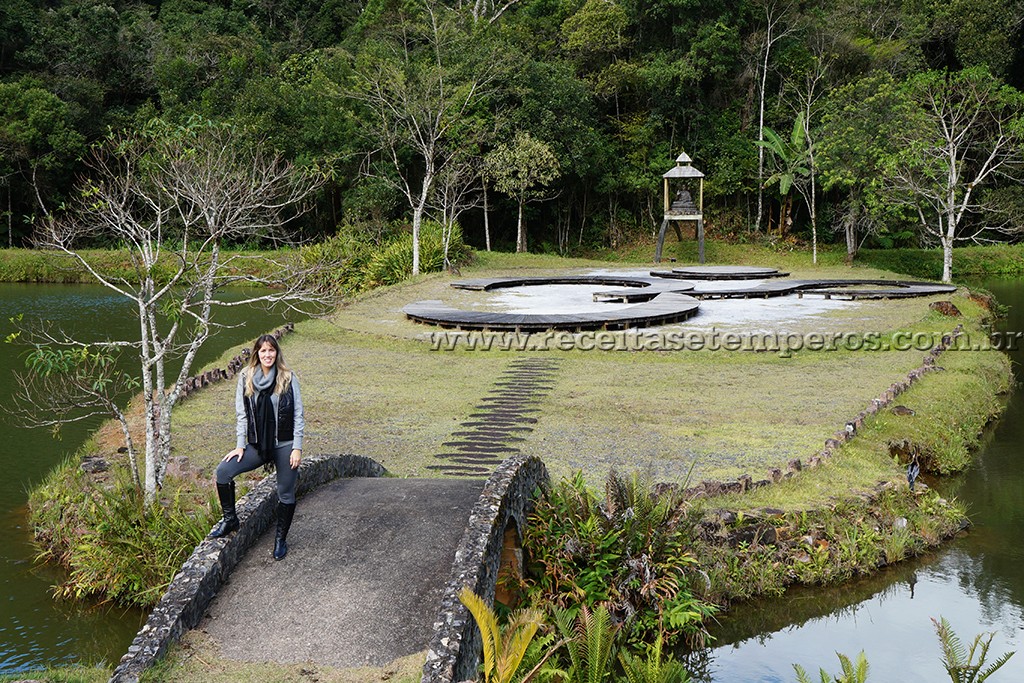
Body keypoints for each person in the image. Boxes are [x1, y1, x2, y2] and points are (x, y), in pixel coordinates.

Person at [209, 334, 304, 561]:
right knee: (223, 472)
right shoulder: (246, 376)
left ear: (276, 353)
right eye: (263, 351)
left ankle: (280, 540)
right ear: (257, 354)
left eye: (271, 350)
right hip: (257, 444)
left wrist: (297, 447)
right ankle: (231, 520)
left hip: (284, 444)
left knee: (286, 492)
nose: (267, 355)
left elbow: (298, 414)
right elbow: (242, 415)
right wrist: (240, 446)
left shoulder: (289, 378)